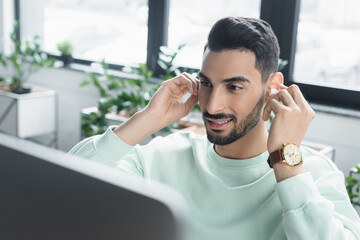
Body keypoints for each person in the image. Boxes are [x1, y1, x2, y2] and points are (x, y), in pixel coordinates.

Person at [68, 17, 360, 239]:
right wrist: (149, 118)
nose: (212, 105)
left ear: (272, 87)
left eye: (234, 86)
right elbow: (69, 187)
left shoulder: (314, 174)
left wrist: (287, 161)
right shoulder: (163, 157)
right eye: (206, 83)